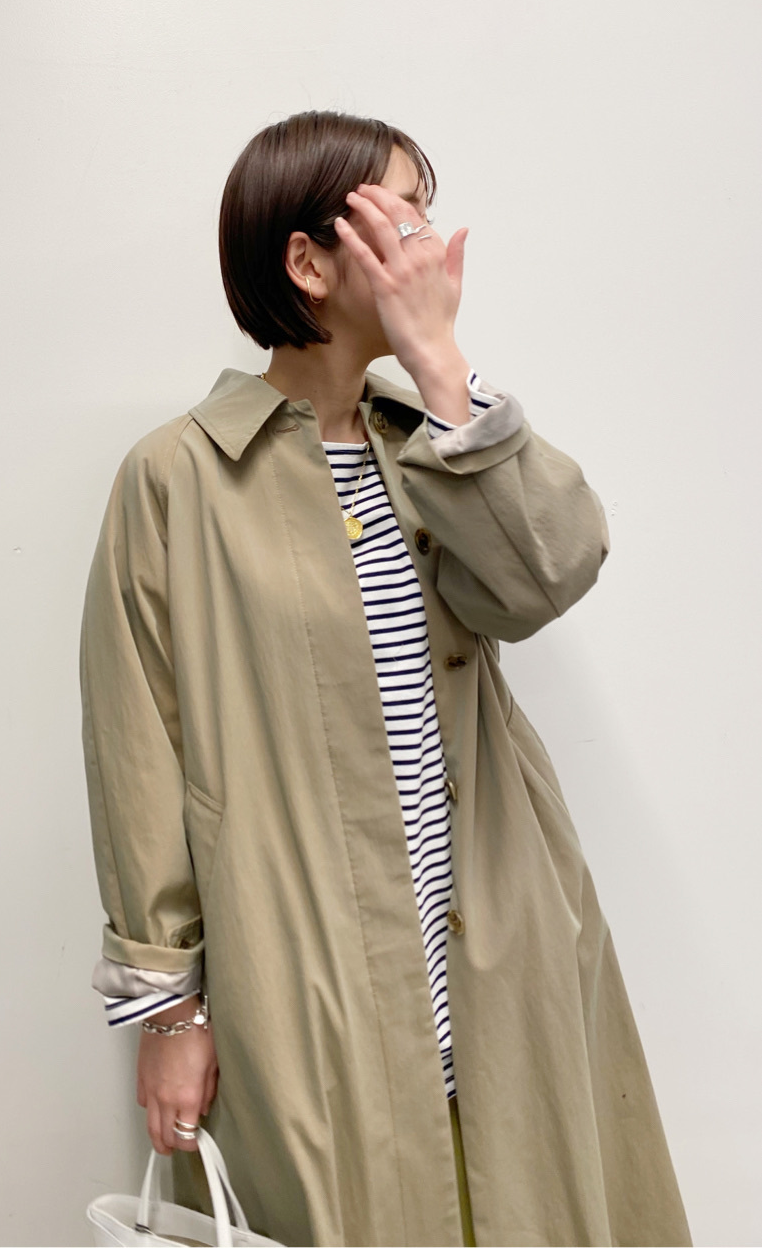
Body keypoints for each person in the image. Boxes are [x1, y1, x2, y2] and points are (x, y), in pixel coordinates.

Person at [78, 110, 692, 1247]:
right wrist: (169, 1013)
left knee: (524, 1202)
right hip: (306, 968)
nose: (428, 244)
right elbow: (137, 757)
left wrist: (440, 366)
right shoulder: (176, 479)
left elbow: (549, 574)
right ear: (307, 262)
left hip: (498, 941)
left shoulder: (439, 441)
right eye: (400, 216)